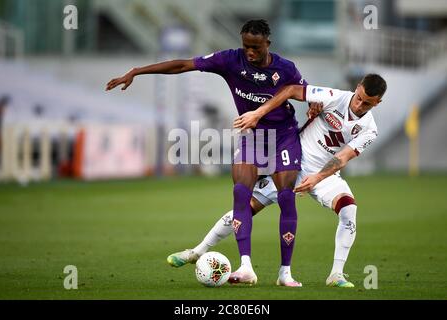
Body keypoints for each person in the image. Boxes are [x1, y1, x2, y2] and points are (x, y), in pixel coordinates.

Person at [106, 20, 320, 287]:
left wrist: (314, 104)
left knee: (287, 198)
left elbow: (309, 92)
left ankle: (285, 273)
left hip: (284, 136)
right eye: (246, 46)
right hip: (252, 135)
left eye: (255, 47)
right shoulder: (231, 60)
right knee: (240, 194)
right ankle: (245, 267)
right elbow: (183, 65)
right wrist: (138, 71)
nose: (249, 52)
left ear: (268, 44)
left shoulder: (285, 68)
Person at [167, 73, 387, 288]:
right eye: (359, 98)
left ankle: (336, 274)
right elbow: (293, 90)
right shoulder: (333, 96)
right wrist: (312, 106)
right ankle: (197, 252)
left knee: (349, 209)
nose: (359, 105)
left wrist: (318, 178)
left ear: (378, 103)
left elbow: (343, 157)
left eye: (367, 104)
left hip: (324, 175)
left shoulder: (370, 130)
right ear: (357, 88)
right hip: (292, 164)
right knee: (246, 208)